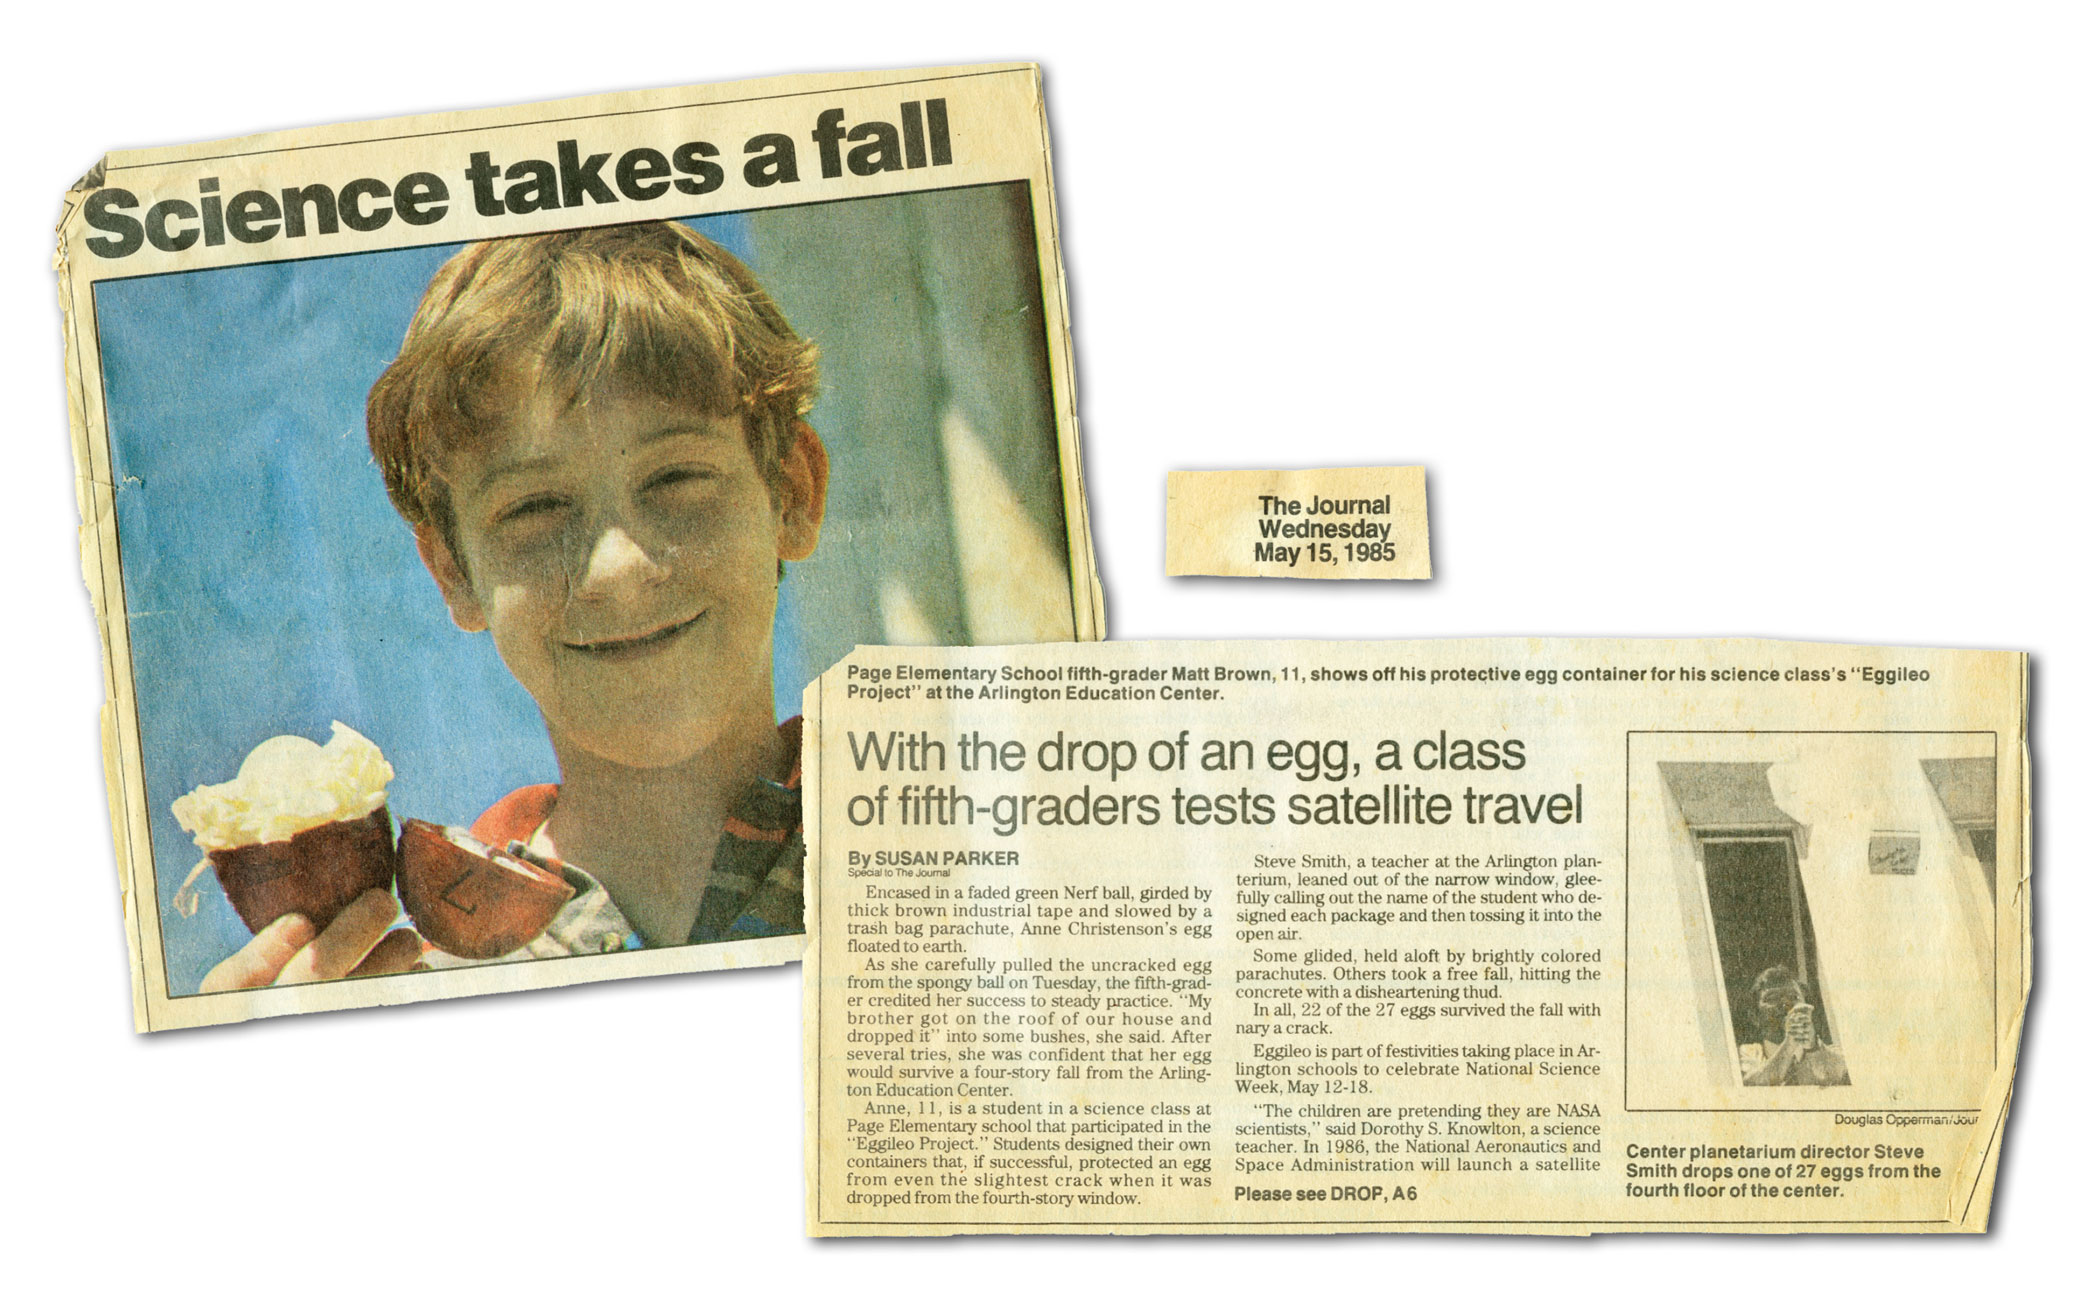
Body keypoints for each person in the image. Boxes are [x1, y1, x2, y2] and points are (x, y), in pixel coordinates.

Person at [200, 221, 827, 990]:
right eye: (536, 509)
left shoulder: (959, 844)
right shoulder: (413, 978)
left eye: (675, 480)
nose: (619, 567)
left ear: (793, 492)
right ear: (452, 572)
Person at [1739, 966, 1850, 1086]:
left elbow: (1836, 1075)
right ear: (1754, 1017)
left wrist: (1813, 1048)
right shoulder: (1744, 1054)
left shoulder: (1833, 1052)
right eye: (1772, 998)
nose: (1785, 1004)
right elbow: (1751, 1085)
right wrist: (1789, 1045)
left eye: (1794, 997)